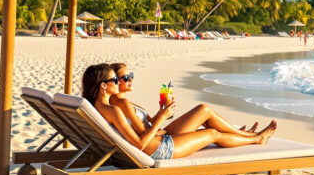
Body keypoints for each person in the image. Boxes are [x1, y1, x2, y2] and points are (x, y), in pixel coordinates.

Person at [85, 63, 275, 162]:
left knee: (204, 114)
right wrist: (161, 119)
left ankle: (248, 135)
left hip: (159, 141)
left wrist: (159, 119)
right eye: (116, 80)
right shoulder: (115, 109)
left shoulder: (99, 106)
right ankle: (256, 139)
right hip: (160, 149)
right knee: (212, 133)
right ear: (103, 86)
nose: (120, 82)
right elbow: (141, 145)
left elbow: (139, 134)